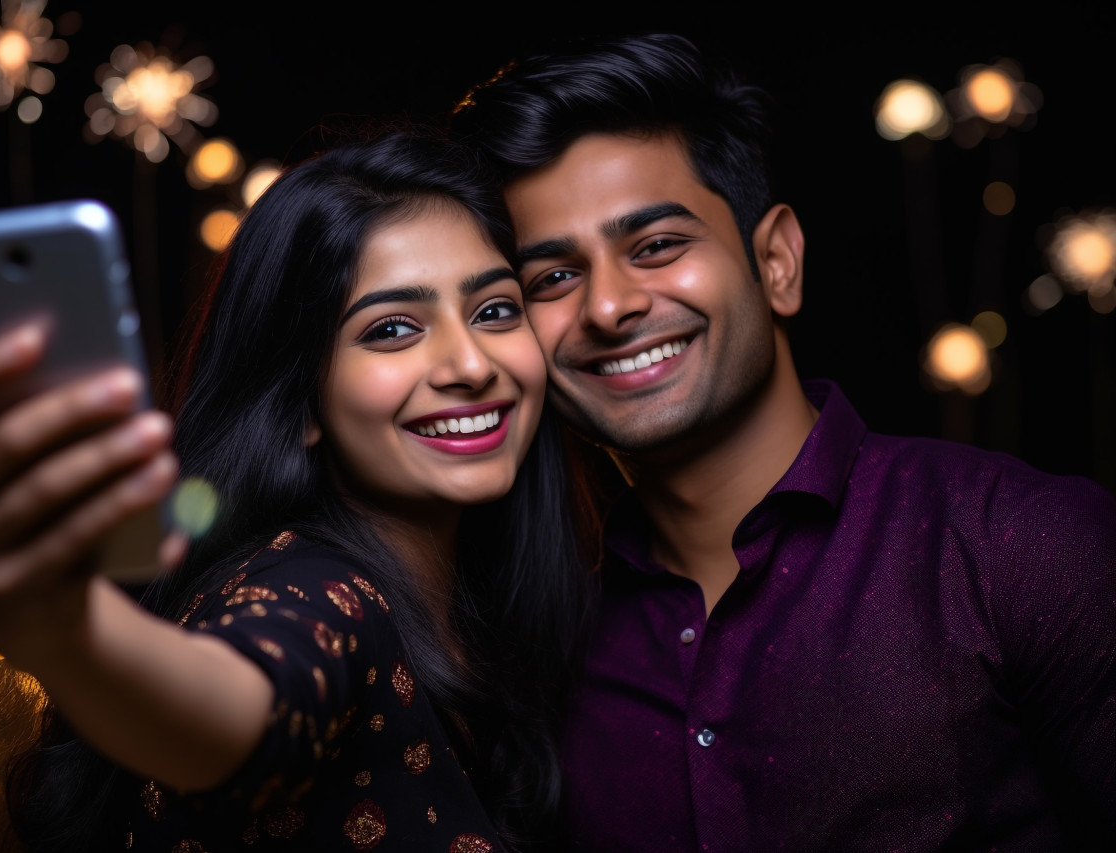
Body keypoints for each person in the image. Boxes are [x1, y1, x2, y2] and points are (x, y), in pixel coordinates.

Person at [449, 32, 1116, 852]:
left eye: (656, 246)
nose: (609, 307)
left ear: (776, 261)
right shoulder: (537, 643)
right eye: (552, 277)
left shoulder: (1023, 543)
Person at [0, 126, 589, 852]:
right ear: (301, 401)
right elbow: (237, 713)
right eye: (393, 329)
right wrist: (70, 629)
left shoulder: (501, 612)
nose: (471, 363)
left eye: (495, 310)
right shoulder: (313, 589)